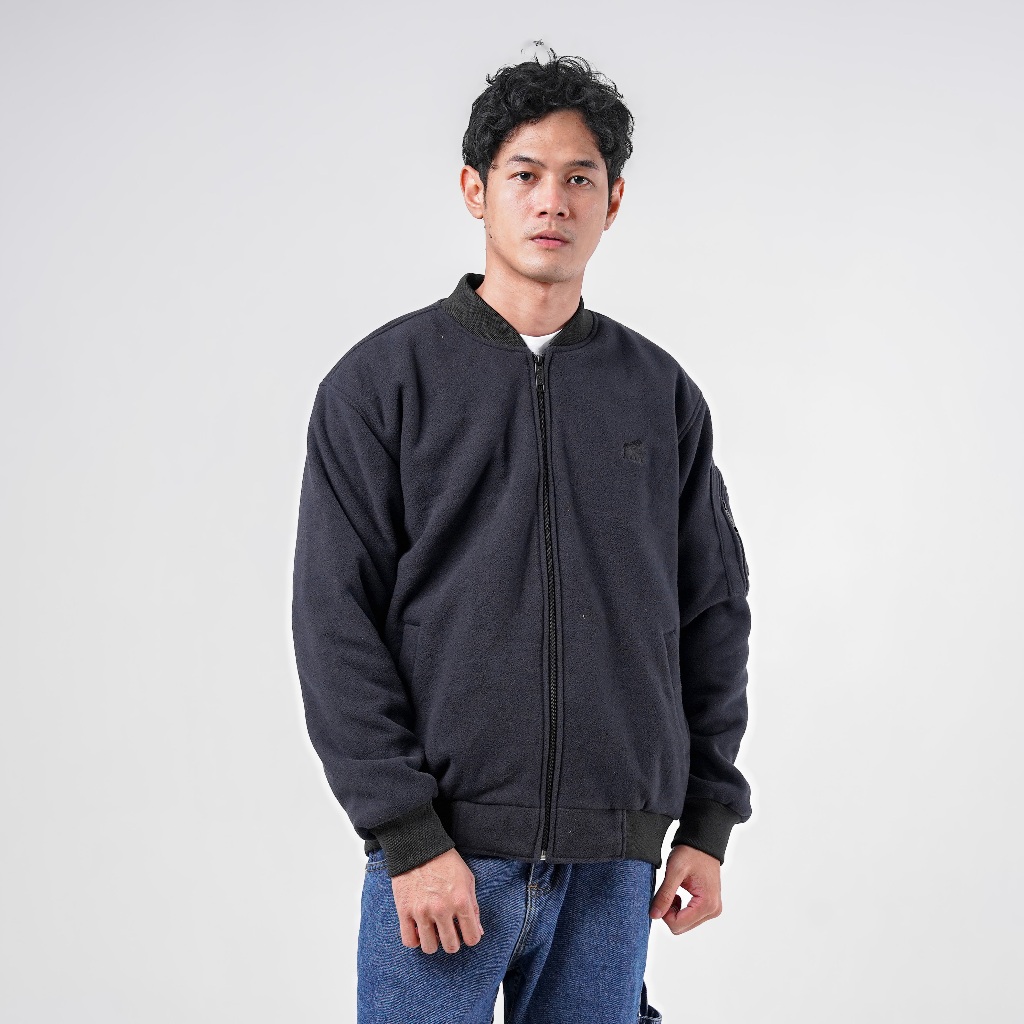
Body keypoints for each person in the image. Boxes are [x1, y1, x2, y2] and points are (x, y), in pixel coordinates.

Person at [292, 49, 753, 1024]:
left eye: (580, 178)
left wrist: (707, 821)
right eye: (525, 174)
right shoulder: (382, 385)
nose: (553, 201)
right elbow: (334, 621)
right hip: (444, 858)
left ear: (613, 202)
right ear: (476, 189)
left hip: (611, 860)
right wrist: (408, 834)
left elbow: (711, 610)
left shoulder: (658, 394)